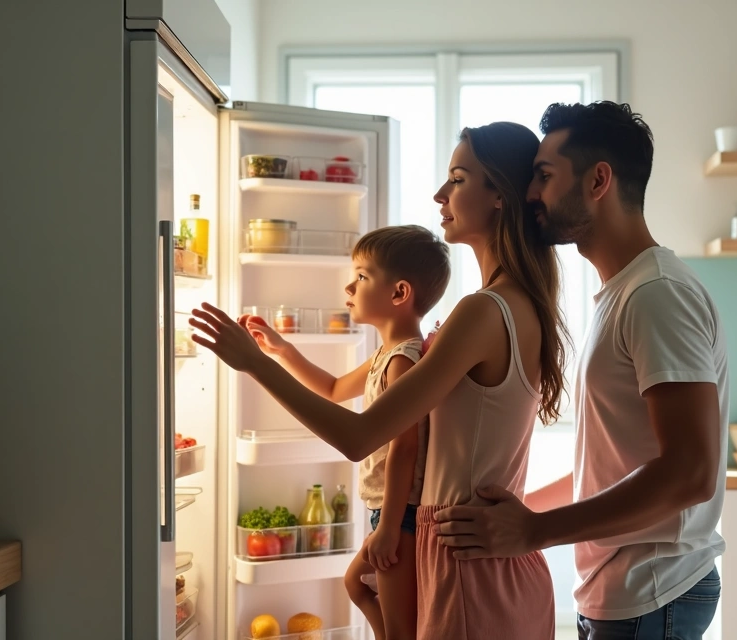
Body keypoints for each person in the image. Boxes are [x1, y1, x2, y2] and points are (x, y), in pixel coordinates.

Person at [190, 121, 566, 639]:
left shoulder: (484, 311)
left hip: (466, 567)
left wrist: (254, 364)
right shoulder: (516, 303)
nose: (440, 194)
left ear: (499, 195)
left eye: (457, 179)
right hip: (485, 563)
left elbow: (360, 437)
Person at [433, 101, 730, 640]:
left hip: (651, 592)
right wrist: (517, 516)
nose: (529, 194)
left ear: (598, 181)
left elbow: (690, 471)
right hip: (628, 594)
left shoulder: (656, 294)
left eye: (544, 177)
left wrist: (535, 532)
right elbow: (614, 467)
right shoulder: (623, 293)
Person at [237, 224, 450, 640]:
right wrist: (283, 350)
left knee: (400, 627)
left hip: (399, 514)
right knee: (356, 584)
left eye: (363, 276)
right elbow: (333, 390)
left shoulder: (402, 362)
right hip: (385, 513)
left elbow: (405, 448)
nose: (350, 286)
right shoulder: (384, 356)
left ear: (399, 293)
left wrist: (388, 527)